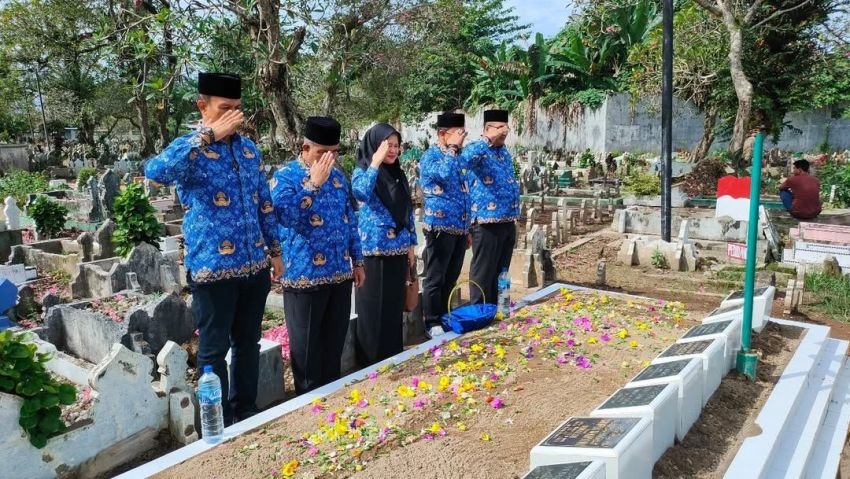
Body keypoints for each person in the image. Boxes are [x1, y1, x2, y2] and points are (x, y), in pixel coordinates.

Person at [145, 72, 282, 425]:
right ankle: (216, 420)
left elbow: (263, 202)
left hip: (254, 267)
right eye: (224, 109)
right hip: (212, 269)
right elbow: (157, 170)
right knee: (213, 350)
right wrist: (207, 135)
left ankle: (245, 411)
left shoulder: (250, 149)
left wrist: (276, 251)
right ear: (202, 106)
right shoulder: (191, 149)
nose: (233, 117)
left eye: (237, 109)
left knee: (248, 345)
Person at [271, 116, 365, 395]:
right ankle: (308, 405)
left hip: (338, 274)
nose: (330, 159)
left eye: (334, 153)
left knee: (332, 348)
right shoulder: (285, 177)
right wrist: (311, 185)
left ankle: (331, 403)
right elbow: (284, 216)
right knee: (308, 352)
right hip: (304, 278)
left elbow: (350, 220)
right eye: (323, 153)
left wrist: (357, 260)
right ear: (305, 149)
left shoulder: (338, 178)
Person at [351, 123, 416, 367]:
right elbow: (360, 194)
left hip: (398, 250)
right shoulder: (363, 171)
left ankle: (392, 355)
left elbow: (407, 210)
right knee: (372, 309)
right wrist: (375, 164)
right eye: (387, 145)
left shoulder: (399, 175)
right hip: (373, 252)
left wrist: (411, 244)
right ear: (374, 145)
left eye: (396, 145)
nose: (392, 150)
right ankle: (370, 362)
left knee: (391, 307)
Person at [419, 112, 470, 338]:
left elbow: (464, 190)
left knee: (451, 276)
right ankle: (431, 322)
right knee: (435, 277)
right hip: (439, 226)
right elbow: (442, 175)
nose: (461, 139)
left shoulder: (457, 156)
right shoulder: (431, 156)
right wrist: (452, 149)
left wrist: (467, 227)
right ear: (443, 134)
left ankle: (444, 315)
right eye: (458, 134)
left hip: (459, 227)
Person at [463, 109, 520, 306]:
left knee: (502, 271)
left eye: (506, 128)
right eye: (500, 128)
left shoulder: (503, 150)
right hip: (487, 222)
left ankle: (501, 308)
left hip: (507, 219)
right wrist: (488, 140)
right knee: (483, 271)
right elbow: (464, 159)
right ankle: (479, 310)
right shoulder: (478, 148)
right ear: (487, 129)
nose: (505, 132)